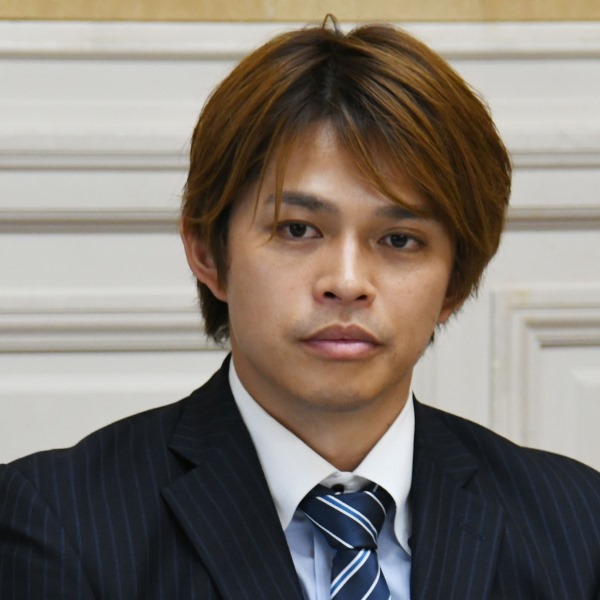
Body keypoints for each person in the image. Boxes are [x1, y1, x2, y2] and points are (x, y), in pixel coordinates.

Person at [1, 16, 599, 600]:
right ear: (208, 252)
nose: (347, 283)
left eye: (399, 240)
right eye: (297, 229)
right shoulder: (59, 520)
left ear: (456, 283)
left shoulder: (578, 525)